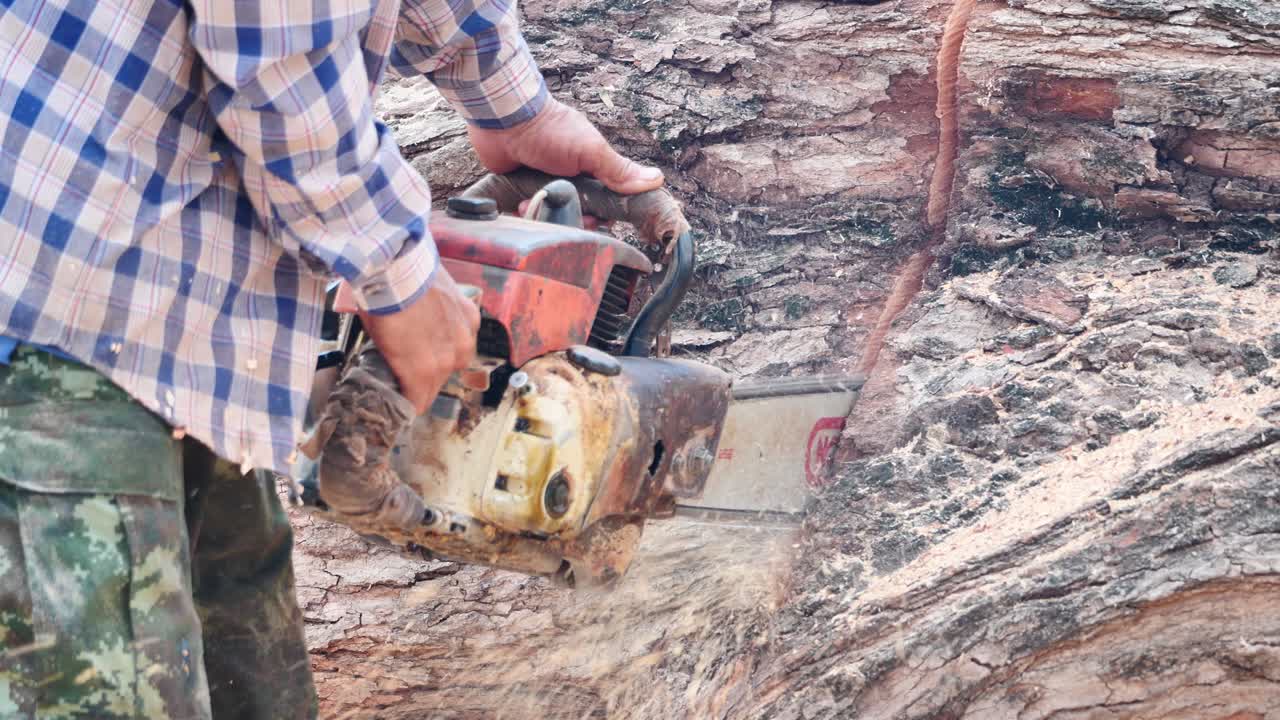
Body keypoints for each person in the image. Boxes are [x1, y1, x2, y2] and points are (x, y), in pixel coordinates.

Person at [0, 0, 663, 716]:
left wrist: (514, 108)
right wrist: (398, 278)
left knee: (258, 695)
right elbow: (276, 43)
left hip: (185, 357)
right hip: (54, 327)